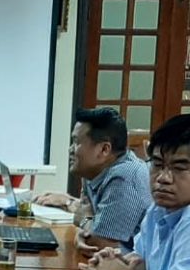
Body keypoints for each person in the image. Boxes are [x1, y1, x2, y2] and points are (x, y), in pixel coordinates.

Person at [80, 114, 190, 270]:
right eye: (157, 164)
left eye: (180, 167)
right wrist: (121, 263)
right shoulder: (158, 210)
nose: (163, 178)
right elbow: (146, 265)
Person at [36, 107, 150, 256]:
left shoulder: (124, 176)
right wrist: (83, 225)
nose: (71, 149)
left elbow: (99, 243)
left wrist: (83, 220)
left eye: (76, 142)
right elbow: (88, 229)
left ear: (104, 149)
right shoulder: (93, 171)